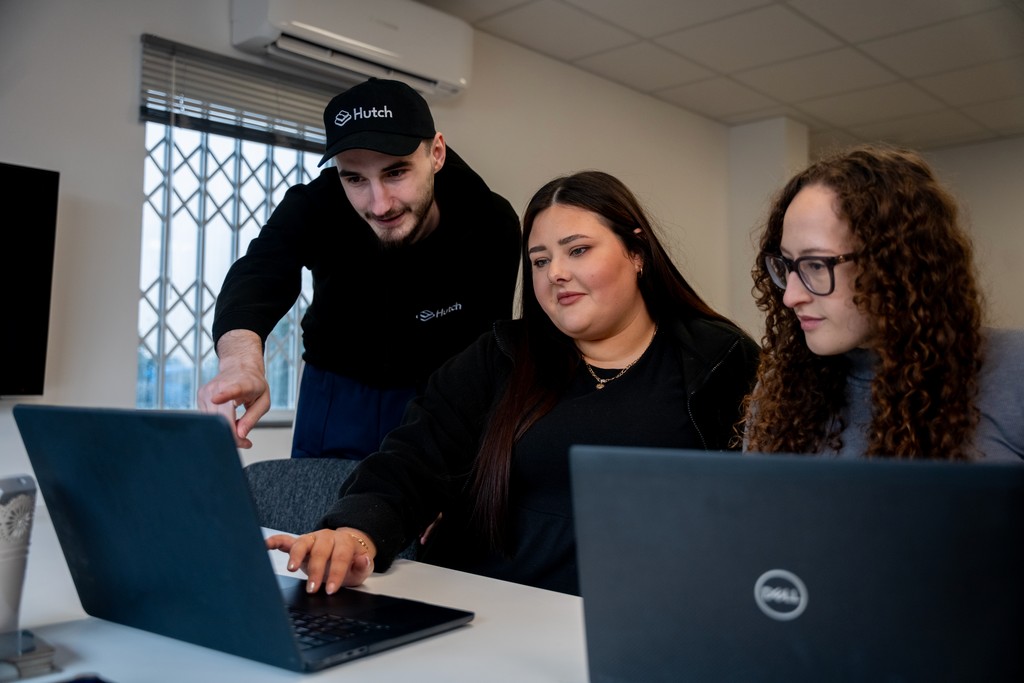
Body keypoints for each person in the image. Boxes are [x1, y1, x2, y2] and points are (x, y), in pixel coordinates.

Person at [266, 170, 761, 596]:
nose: (556, 274)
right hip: (482, 605)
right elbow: (411, 461)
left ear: (637, 252)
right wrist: (355, 533)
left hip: (631, 618)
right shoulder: (501, 355)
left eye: (578, 250)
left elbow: (758, 507)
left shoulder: (717, 359)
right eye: (540, 260)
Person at [197, 78, 521, 458]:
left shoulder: (489, 222)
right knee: (318, 510)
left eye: (396, 172)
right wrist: (239, 361)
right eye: (355, 178)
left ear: (436, 153)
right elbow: (261, 270)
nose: (380, 204)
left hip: (442, 388)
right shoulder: (317, 204)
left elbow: (490, 351)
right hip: (338, 388)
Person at [742, 144, 1024, 462]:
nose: (791, 297)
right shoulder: (779, 395)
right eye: (787, 265)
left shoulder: (1015, 371)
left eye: (816, 265)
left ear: (894, 265)